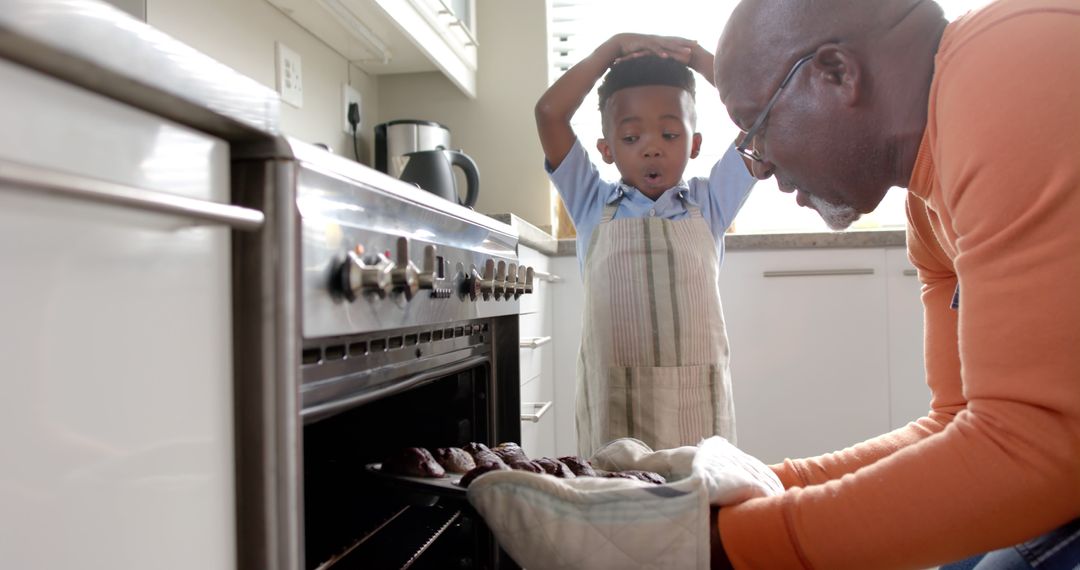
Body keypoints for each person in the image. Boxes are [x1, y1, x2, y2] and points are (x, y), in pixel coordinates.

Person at [704, 0, 1080, 568]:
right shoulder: (930, 216)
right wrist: (769, 485)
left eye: (754, 126)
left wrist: (722, 545)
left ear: (836, 73)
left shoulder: (1006, 66)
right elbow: (956, 422)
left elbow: (1036, 446)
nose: (757, 167)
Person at [535, 33, 756, 457]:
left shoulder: (711, 202)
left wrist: (698, 58)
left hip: (699, 410)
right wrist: (607, 51)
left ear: (695, 144)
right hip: (614, 409)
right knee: (618, 513)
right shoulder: (590, 201)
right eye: (632, 138)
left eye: (670, 134)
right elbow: (549, 113)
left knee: (702, 510)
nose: (652, 148)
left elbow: (765, 117)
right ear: (606, 149)